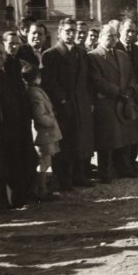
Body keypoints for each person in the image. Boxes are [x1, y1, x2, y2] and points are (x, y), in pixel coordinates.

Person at [42, 18, 95, 190]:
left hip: (81, 105)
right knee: (65, 145)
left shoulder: (81, 52)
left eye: (73, 30)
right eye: (67, 31)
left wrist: (89, 100)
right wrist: (63, 100)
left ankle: (79, 176)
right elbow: (50, 83)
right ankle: (64, 181)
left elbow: (86, 79)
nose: (71, 33)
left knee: (80, 141)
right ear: (60, 32)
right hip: (64, 107)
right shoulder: (51, 54)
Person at [88, 25, 138, 182]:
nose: (112, 39)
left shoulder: (122, 55)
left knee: (125, 136)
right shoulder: (93, 56)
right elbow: (96, 80)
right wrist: (117, 91)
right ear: (101, 37)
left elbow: (131, 75)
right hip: (107, 102)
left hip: (124, 101)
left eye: (114, 36)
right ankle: (105, 172)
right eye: (108, 36)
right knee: (107, 140)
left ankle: (124, 168)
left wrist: (130, 89)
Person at [0, 34, 38, 208]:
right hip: (6, 123)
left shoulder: (15, 64)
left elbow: (31, 71)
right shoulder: (0, 69)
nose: (13, 47)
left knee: (25, 158)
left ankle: (22, 196)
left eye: (16, 44)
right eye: (10, 44)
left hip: (20, 120)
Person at [115, 19, 138, 167]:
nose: (130, 34)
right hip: (120, 96)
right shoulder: (115, 48)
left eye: (133, 31)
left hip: (137, 96)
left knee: (136, 129)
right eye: (127, 31)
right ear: (120, 31)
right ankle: (120, 164)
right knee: (121, 131)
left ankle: (132, 161)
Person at [22, 63, 62, 201]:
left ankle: (40, 189)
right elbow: (39, 115)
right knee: (43, 162)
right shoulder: (34, 92)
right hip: (43, 133)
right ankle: (41, 191)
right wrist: (51, 120)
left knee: (45, 161)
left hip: (44, 133)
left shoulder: (33, 90)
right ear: (37, 77)